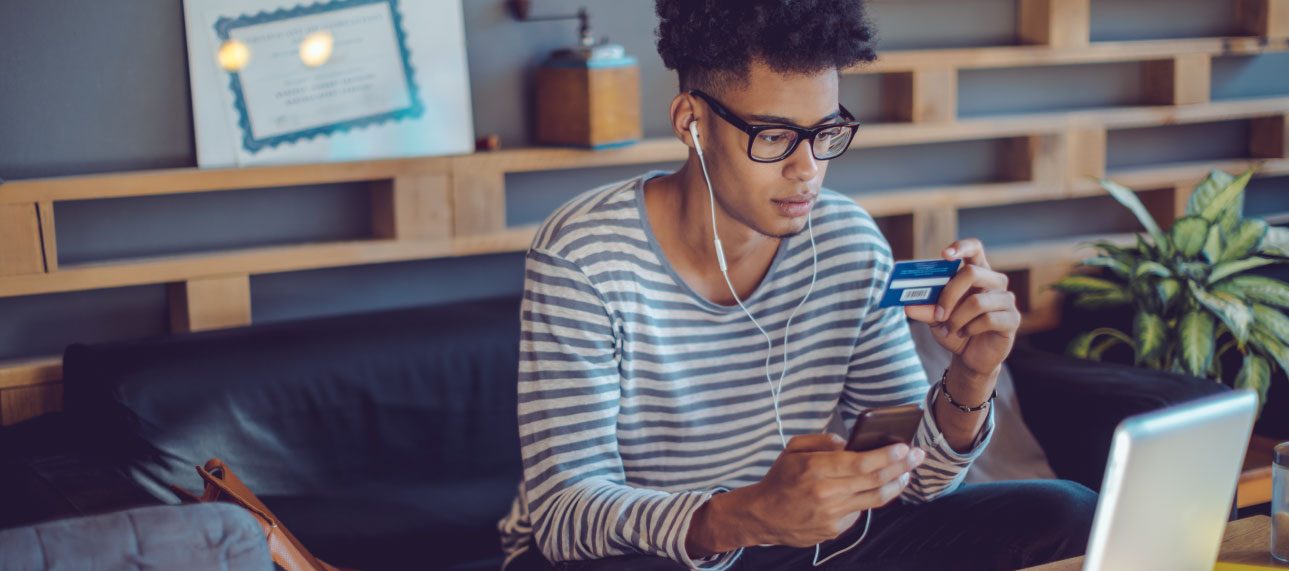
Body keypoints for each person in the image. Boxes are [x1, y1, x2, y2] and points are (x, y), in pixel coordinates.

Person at [498, 1, 1096, 569]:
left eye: (825, 132)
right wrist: (742, 517)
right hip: (637, 556)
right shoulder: (583, 255)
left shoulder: (846, 242)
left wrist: (973, 373)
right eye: (775, 136)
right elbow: (563, 515)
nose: (807, 168)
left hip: (792, 543)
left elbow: (920, 483)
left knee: (1065, 514)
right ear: (692, 122)